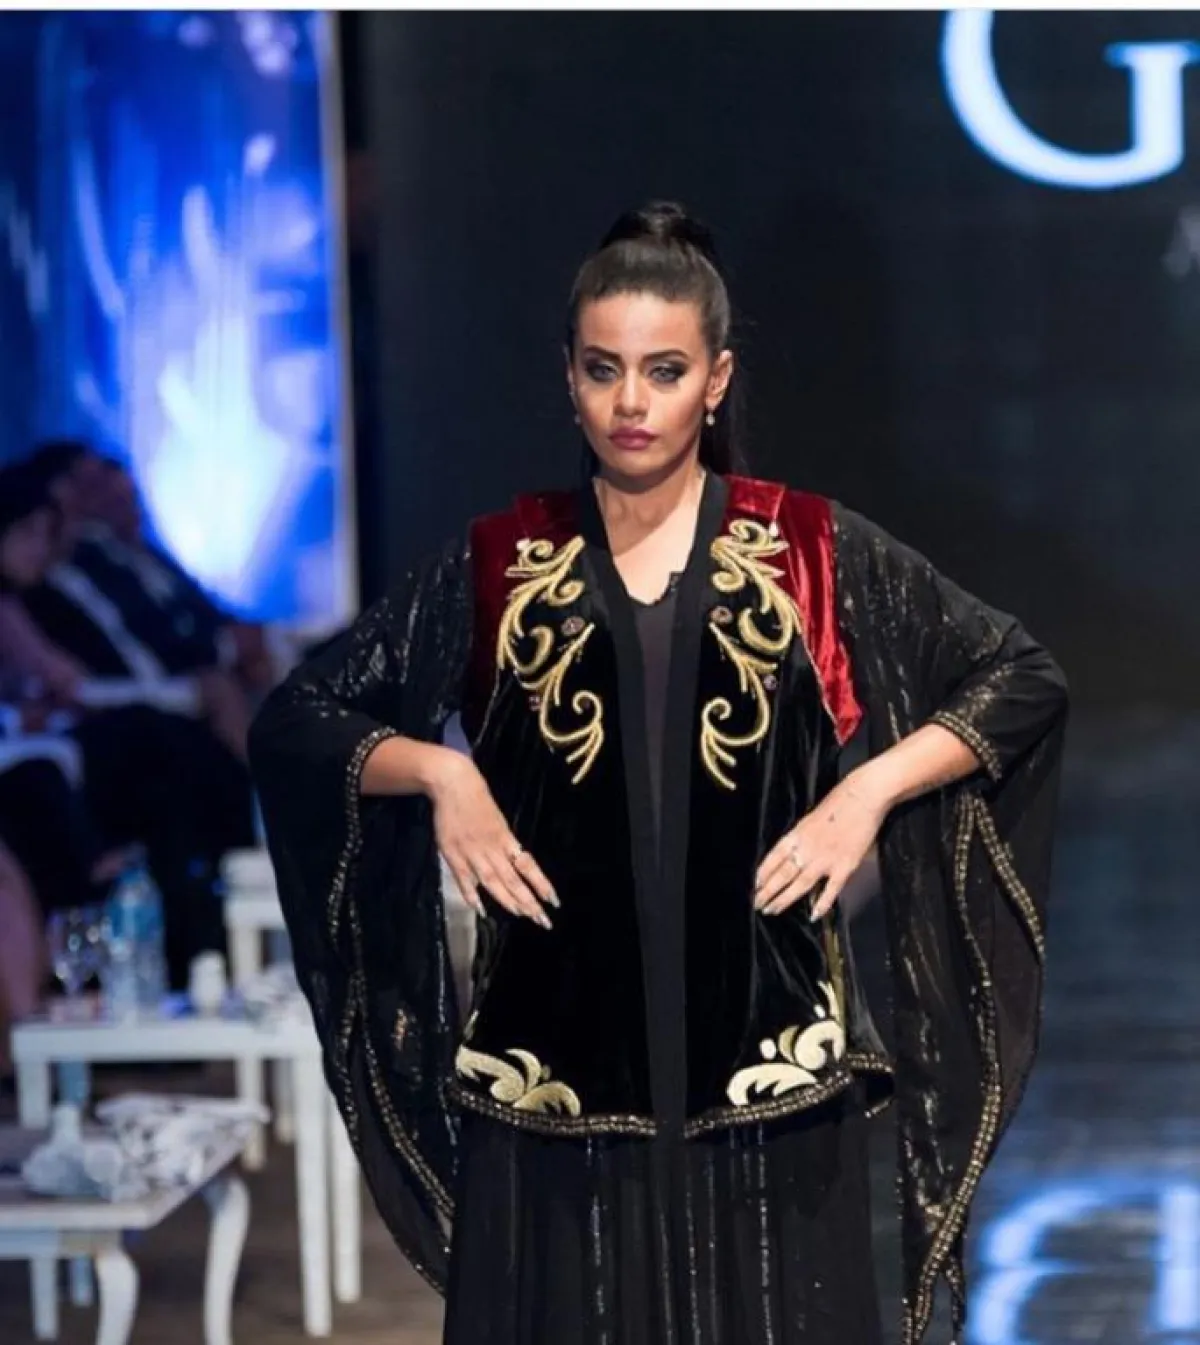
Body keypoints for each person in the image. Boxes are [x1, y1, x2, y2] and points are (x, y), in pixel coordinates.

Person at [248, 202, 1068, 1345]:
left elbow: (1017, 676)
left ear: (716, 381)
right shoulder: (503, 562)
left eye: (665, 370)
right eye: (604, 369)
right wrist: (439, 772)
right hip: (553, 1081)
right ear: (569, 377)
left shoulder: (805, 549)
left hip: (768, 1075)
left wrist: (866, 792)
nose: (631, 402)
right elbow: (301, 718)